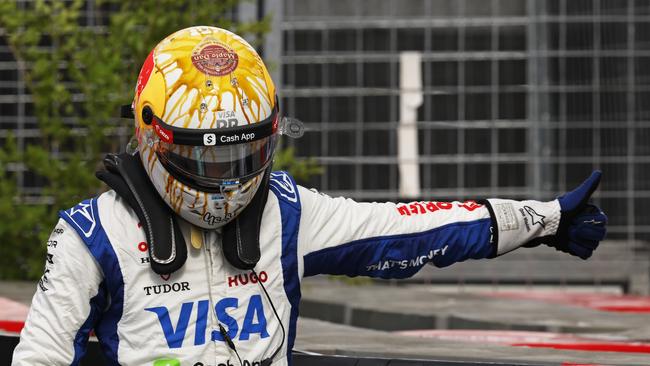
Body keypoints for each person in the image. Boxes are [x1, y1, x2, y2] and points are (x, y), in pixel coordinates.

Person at [12, 26, 607, 366]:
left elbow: (413, 227)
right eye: (204, 155)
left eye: (241, 155)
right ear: (150, 135)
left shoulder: (286, 211)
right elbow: (38, 359)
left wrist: (543, 218)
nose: (225, 178)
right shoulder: (89, 236)